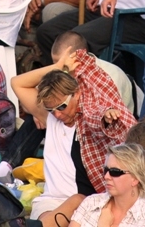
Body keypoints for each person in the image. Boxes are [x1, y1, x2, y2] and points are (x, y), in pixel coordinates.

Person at [13, 63, 134, 227]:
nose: (57, 114)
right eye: (51, 109)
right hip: (51, 202)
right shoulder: (52, 119)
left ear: (77, 94)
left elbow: (97, 115)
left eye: (61, 106)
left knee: (78, 201)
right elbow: (17, 83)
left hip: (88, 203)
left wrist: (106, 115)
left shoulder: (88, 123)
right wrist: (58, 66)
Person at [69, 143, 145, 227]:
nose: (106, 176)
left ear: (135, 178)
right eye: (106, 170)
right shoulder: (91, 202)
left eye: (115, 172)